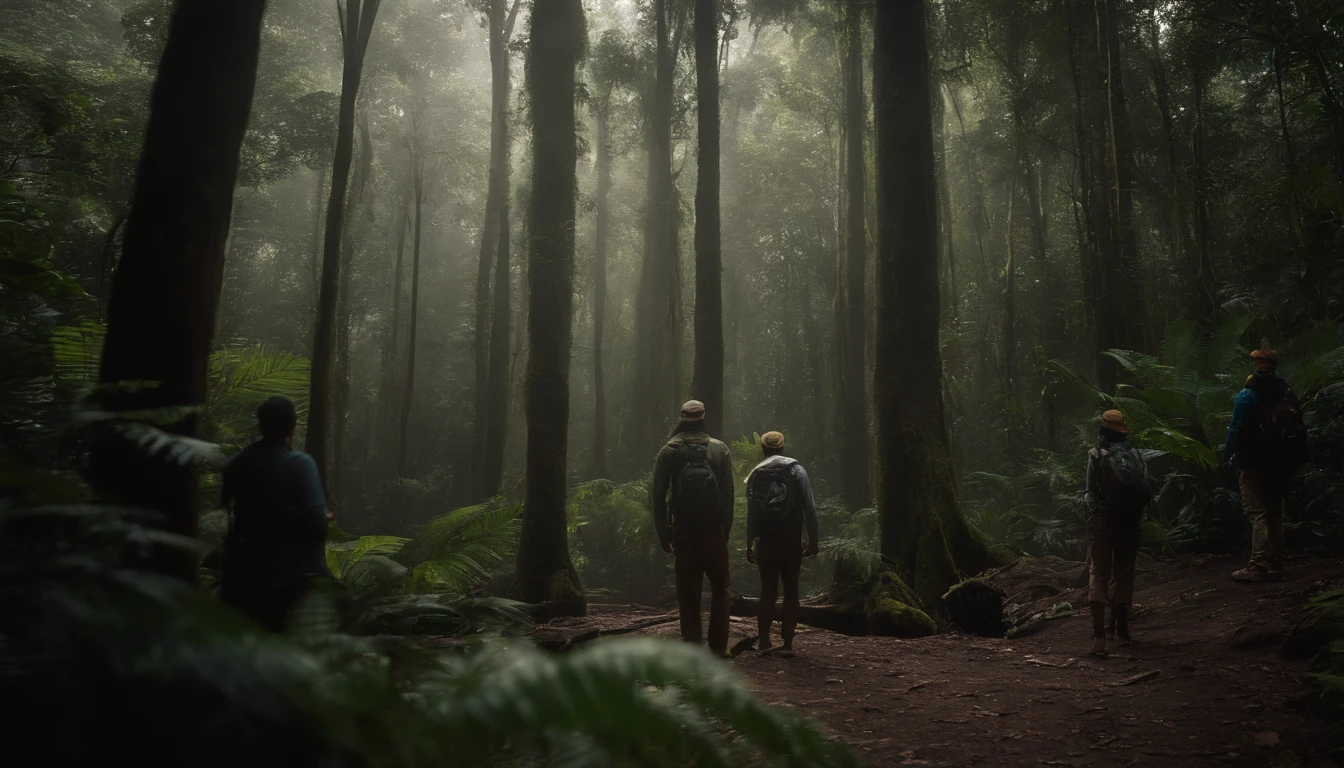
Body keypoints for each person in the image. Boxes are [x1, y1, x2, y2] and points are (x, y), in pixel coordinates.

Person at [220, 396, 334, 632]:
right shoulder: (300, 464)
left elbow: (229, 511)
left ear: (261, 425)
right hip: (292, 586)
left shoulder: (237, 463)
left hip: (242, 579)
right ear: (293, 427)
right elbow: (316, 527)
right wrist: (322, 516)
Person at [652, 400, 735, 656]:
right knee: (720, 589)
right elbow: (728, 495)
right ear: (703, 418)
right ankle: (719, 648)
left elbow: (658, 497)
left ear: (682, 419)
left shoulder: (669, 450)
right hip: (713, 531)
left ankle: (692, 648)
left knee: (689, 593)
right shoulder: (720, 450)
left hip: (684, 531)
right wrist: (725, 531)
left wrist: (664, 534)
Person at [1223, 349, 1306, 584]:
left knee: (1257, 513)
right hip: (1281, 463)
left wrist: (1229, 454)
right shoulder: (1286, 391)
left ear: (1257, 365)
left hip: (1254, 462)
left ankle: (1257, 565)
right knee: (1274, 513)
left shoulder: (1248, 394)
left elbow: (1236, 427)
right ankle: (1276, 563)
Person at [1083, 409, 1153, 657]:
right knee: (1124, 573)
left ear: (1103, 429)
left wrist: (1092, 513)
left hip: (1103, 521)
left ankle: (1100, 638)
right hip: (1130, 521)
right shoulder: (1137, 455)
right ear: (1124, 429)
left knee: (1098, 573)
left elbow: (1090, 491)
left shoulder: (1096, 455)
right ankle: (1122, 633)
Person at [745, 431, 820, 652]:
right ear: (782, 447)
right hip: (791, 539)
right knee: (791, 591)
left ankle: (765, 642)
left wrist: (750, 543)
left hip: (766, 540)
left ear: (763, 448)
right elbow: (809, 508)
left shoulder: (756, 473)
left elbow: (752, 512)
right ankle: (787, 643)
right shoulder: (797, 470)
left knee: (767, 592)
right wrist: (813, 540)